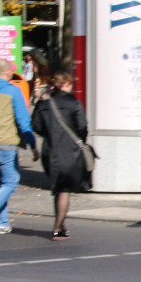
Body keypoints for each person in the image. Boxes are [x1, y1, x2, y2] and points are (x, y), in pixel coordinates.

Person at [31, 72, 89, 240]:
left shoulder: (43, 103)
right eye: (70, 84)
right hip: (69, 151)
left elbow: (36, 126)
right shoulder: (74, 102)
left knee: (58, 187)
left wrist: (49, 135)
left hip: (50, 151)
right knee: (64, 189)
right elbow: (82, 127)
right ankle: (57, 228)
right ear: (65, 84)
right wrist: (80, 141)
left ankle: (61, 224)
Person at [0, 58, 39, 235]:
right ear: (9, 72)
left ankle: (2, 223)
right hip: (6, 142)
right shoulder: (13, 91)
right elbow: (23, 121)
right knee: (11, 181)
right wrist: (32, 144)